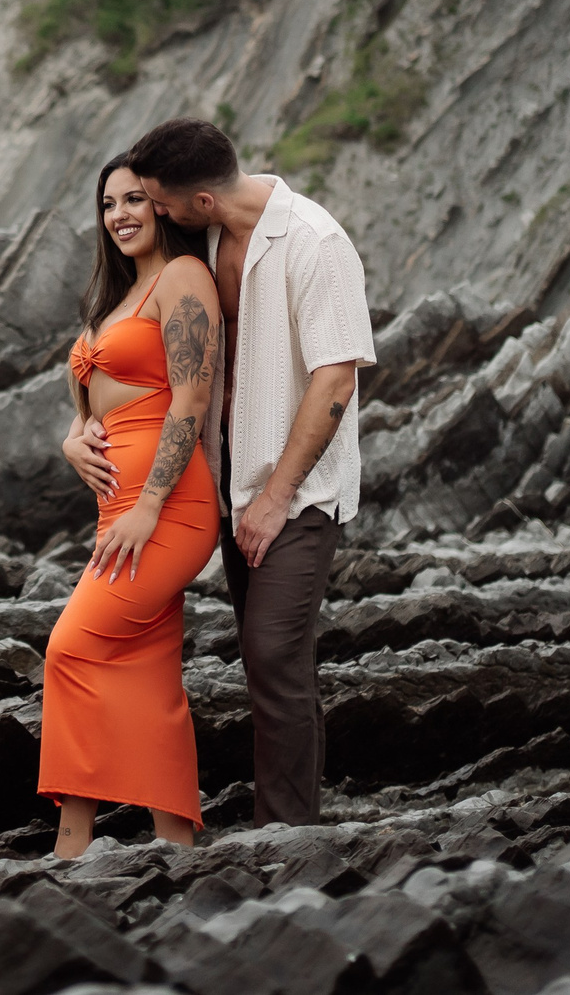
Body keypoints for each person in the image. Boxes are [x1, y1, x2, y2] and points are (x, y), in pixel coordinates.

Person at [69, 117, 374, 828]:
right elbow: (150, 356)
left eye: (158, 202)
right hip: (225, 485)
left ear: (200, 201)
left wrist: (276, 496)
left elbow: (335, 380)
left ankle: (285, 836)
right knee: (271, 659)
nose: (151, 214)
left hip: (296, 490)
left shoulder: (315, 242)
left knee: (271, 653)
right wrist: (84, 428)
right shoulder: (203, 239)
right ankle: (283, 824)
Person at [38, 152, 224, 858]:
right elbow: (98, 405)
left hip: (167, 509)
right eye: (108, 204)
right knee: (147, 676)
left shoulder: (182, 277)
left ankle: (72, 842)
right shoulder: (114, 300)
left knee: (70, 649)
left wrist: (148, 504)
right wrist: (71, 440)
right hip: (119, 511)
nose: (120, 214)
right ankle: (175, 840)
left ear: (161, 207)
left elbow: (190, 397)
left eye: (134, 200)